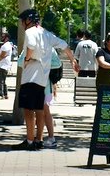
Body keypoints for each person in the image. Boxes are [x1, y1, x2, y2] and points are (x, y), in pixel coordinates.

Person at [13, 9, 70, 150]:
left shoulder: (30, 32)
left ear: (28, 20)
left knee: (28, 110)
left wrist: (26, 59)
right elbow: (64, 45)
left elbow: (31, 47)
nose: (21, 24)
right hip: (42, 78)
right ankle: (39, 140)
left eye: (23, 20)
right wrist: (73, 60)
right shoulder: (47, 34)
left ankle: (30, 141)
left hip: (30, 76)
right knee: (39, 109)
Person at [0, 31, 14, 99]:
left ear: (7, 38)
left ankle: (1, 94)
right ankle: (5, 94)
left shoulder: (6, 46)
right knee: (3, 80)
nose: (1, 38)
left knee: (1, 81)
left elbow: (2, 55)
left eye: (3, 37)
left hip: (4, 65)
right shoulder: (6, 45)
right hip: (4, 64)